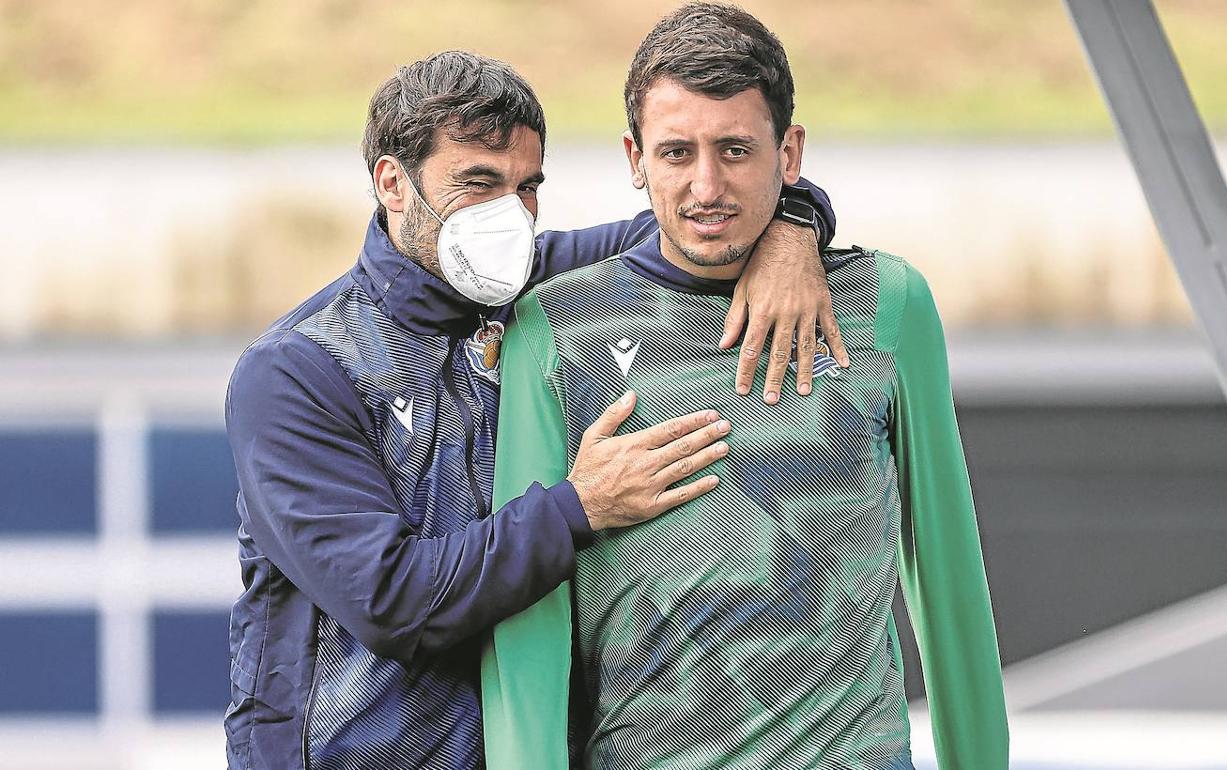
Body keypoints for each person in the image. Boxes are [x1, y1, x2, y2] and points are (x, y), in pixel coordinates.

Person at [223, 48, 846, 769]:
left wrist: (794, 229)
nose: (507, 216)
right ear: (393, 184)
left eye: (526, 187)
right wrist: (580, 506)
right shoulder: (297, 371)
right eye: (478, 183)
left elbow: (702, 221)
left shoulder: (539, 285)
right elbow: (394, 600)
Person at [481, 5, 1009, 769]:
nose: (707, 185)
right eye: (676, 152)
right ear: (634, 158)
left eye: (736, 149)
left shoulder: (889, 305)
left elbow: (949, 574)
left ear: (789, 152)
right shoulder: (553, 329)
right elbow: (528, 623)